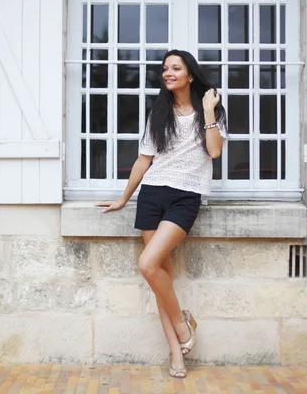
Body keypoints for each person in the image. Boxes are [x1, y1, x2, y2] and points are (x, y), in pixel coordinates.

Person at [96, 49, 227, 378]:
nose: (168, 73)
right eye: (165, 68)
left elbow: (214, 151)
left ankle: (183, 327)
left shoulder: (210, 111)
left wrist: (209, 111)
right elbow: (144, 160)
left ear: (190, 74)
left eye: (175, 68)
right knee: (160, 278)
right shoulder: (158, 113)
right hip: (152, 196)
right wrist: (124, 199)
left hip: (185, 198)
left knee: (147, 264)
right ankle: (176, 353)